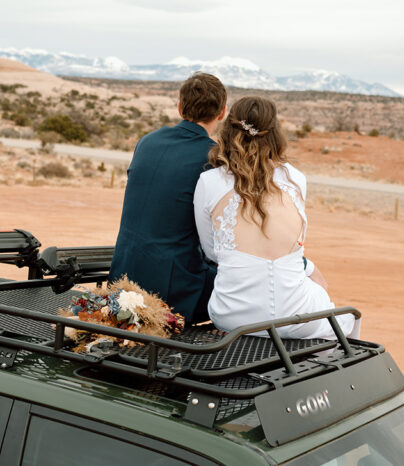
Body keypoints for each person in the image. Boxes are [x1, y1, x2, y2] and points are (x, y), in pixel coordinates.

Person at [193, 96, 360, 339]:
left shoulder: (209, 182)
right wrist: (309, 269)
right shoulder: (296, 179)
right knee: (336, 310)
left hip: (232, 315)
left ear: (228, 129)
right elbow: (296, 244)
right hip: (297, 317)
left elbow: (211, 251)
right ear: (275, 134)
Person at [108, 73, 227, 323]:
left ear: (180, 107)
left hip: (122, 273)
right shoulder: (213, 157)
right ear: (222, 112)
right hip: (173, 288)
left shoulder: (147, 142)